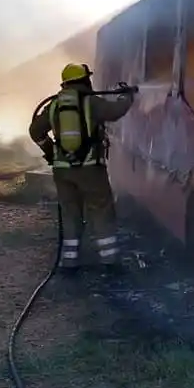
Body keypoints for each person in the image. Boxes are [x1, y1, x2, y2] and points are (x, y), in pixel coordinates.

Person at [30, 62, 135, 269]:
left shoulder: (54, 105)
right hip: (90, 168)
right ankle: (109, 260)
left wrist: (50, 151)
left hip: (62, 171)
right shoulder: (91, 101)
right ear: (84, 79)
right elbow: (115, 111)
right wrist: (126, 97)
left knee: (70, 212)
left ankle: (69, 260)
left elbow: (35, 131)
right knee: (101, 210)